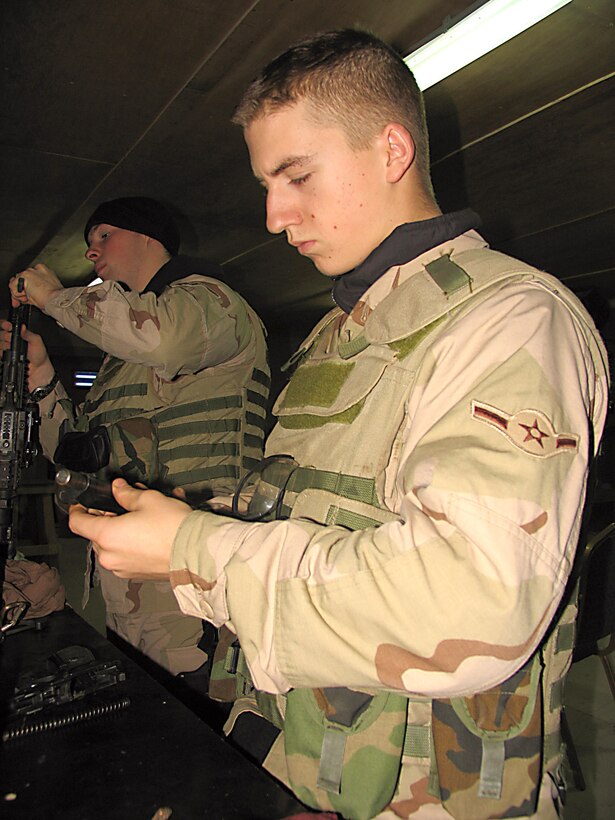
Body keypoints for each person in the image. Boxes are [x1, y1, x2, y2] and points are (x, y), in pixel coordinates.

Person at [68, 31, 609, 819]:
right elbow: (317, 517)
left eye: (296, 176)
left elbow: (473, 601)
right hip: (316, 762)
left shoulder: (510, 320)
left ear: (391, 151)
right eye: (266, 184)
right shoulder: (339, 334)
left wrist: (193, 549)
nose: (274, 215)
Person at [4, 196, 270, 676]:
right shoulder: (121, 358)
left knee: (195, 705)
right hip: (131, 578)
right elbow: (76, 450)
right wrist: (41, 373)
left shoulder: (211, 303)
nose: (92, 251)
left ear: (150, 238)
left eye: (105, 235)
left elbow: (162, 338)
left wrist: (54, 298)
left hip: (194, 568)